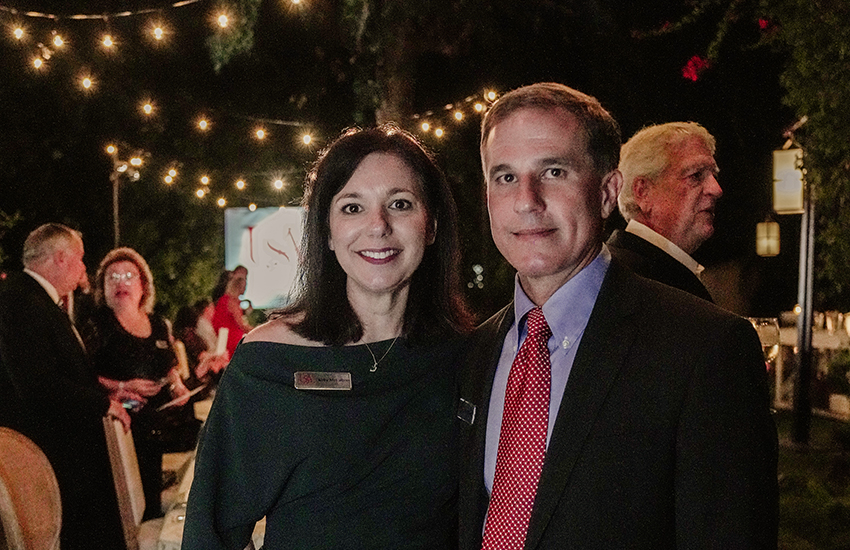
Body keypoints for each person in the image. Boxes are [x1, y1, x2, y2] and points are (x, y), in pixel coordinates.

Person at [458, 83, 778, 549]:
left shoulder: (705, 350)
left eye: (553, 171)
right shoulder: (475, 353)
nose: (527, 199)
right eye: (505, 177)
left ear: (609, 192)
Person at [183, 124, 474, 550]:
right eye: (352, 208)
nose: (378, 226)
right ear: (327, 232)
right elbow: (210, 533)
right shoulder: (267, 363)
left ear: (431, 227)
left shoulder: (468, 356)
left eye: (400, 203)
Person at [0, 223, 129, 549]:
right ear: (60, 258)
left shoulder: (36, 299)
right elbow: (38, 385)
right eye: (81, 259)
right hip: (47, 458)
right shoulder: (21, 301)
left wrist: (105, 393)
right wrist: (103, 404)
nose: (84, 268)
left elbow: (63, 373)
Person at [84, 247, 192, 520]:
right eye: (113, 277)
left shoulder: (157, 323)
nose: (121, 282)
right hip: (117, 425)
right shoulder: (96, 324)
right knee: (124, 505)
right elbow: (83, 374)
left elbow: (169, 366)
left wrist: (177, 386)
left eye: (129, 276)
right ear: (103, 287)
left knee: (152, 499)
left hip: (155, 424)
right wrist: (122, 386)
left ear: (143, 285)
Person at [606, 121, 722, 302]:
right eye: (696, 175)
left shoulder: (638, 272)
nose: (716, 189)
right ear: (643, 192)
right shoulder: (626, 282)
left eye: (714, 176)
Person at [211, 265, 252, 356]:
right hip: (230, 342)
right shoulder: (231, 301)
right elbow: (241, 324)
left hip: (227, 338)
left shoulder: (227, 300)